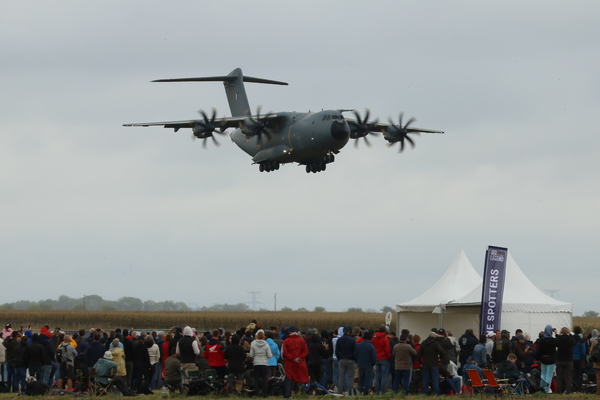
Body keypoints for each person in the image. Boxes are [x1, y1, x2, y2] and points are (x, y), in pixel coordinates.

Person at [282, 326, 309, 398]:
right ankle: (303, 393)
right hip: (300, 362)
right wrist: (299, 358)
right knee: (302, 377)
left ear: (289, 332)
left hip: (290, 363)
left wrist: (293, 359)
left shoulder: (286, 341)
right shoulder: (301, 340)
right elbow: (305, 351)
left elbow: (285, 352)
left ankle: (287, 394)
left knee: (289, 378)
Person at [249, 329, 273, 397]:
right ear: (263, 336)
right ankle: (265, 394)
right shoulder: (266, 344)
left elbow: (251, 355)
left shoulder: (253, 343)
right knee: (264, 379)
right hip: (264, 363)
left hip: (256, 363)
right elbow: (269, 355)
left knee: (256, 379)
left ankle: (256, 393)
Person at [535, 324, 556, 393]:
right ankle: (546, 389)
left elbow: (538, 350)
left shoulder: (541, 340)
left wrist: (538, 358)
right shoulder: (553, 340)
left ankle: (542, 388)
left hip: (543, 359)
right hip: (551, 359)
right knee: (549, 376)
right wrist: (556, 333)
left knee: (543, 375)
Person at [335, 326, 356, 394]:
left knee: (341, 377)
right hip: (350, 360)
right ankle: (349, 392)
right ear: (349, 331)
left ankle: (340, 391)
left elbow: (337, 351)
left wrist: (339, 358)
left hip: (342, 359)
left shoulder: (339, 340)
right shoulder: (352, 340)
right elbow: (355, 351)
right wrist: (354, 359)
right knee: (350, 377)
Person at [554, 326, 576, 394]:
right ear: (568, 332)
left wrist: (558, 334)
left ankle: (559, 391)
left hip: (560, 359)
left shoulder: (559, 339)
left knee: (559, 376)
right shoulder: (570, 339)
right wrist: (570, 334)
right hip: (568, 360)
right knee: (568, 376)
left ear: (561, 332)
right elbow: (574, 342)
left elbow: (555, 343)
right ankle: (568, 391)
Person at [372, 325, 391, 394]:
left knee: (377, 375)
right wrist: (389, 357)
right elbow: (387, 349)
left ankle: (376, 391)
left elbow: (372, 348)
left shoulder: (374, 338)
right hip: (384, 358)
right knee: (384, 376)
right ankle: (383, 391)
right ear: (385, 331)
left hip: (377, 358)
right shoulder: (385, 339)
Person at [355, 331, 376, 395]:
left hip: (360, 364)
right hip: (368, 364)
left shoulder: (358, 345)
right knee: (367, 379)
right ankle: (366, 392)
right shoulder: (371, 346)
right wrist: (373, 363)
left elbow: (355, 354)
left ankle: (359, 390)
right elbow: (373, 356)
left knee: (361, 379)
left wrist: (358, 361)